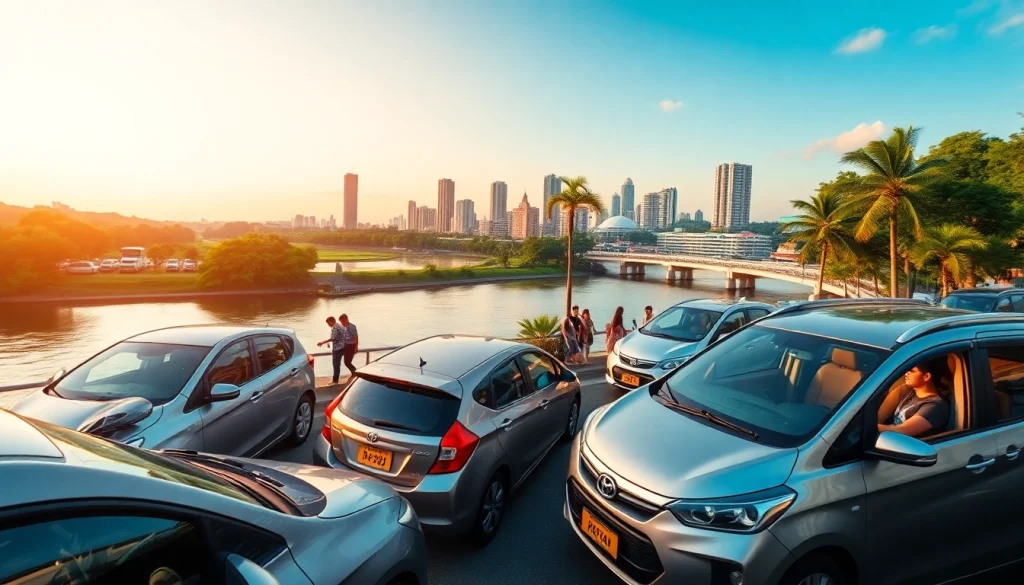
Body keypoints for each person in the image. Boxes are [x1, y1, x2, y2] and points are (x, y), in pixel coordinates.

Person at [877, 357, 950, 439]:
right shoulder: (906, 390)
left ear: (926, 376)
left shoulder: (935, 407)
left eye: (911, 371)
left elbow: (903, 430)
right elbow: (879, 417)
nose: (906, 373)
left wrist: (869, 428)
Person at [316, 316, 345, 384]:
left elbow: (333, 338)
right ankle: (336, 379)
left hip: (338, 348)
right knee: (338, 364)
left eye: (328, 323)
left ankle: (335, 380)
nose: (328, 325)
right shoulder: (339, 325)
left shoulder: (336, 327)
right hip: (342, 347)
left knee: (336, 364)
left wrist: (322, 342)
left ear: (332, 321)